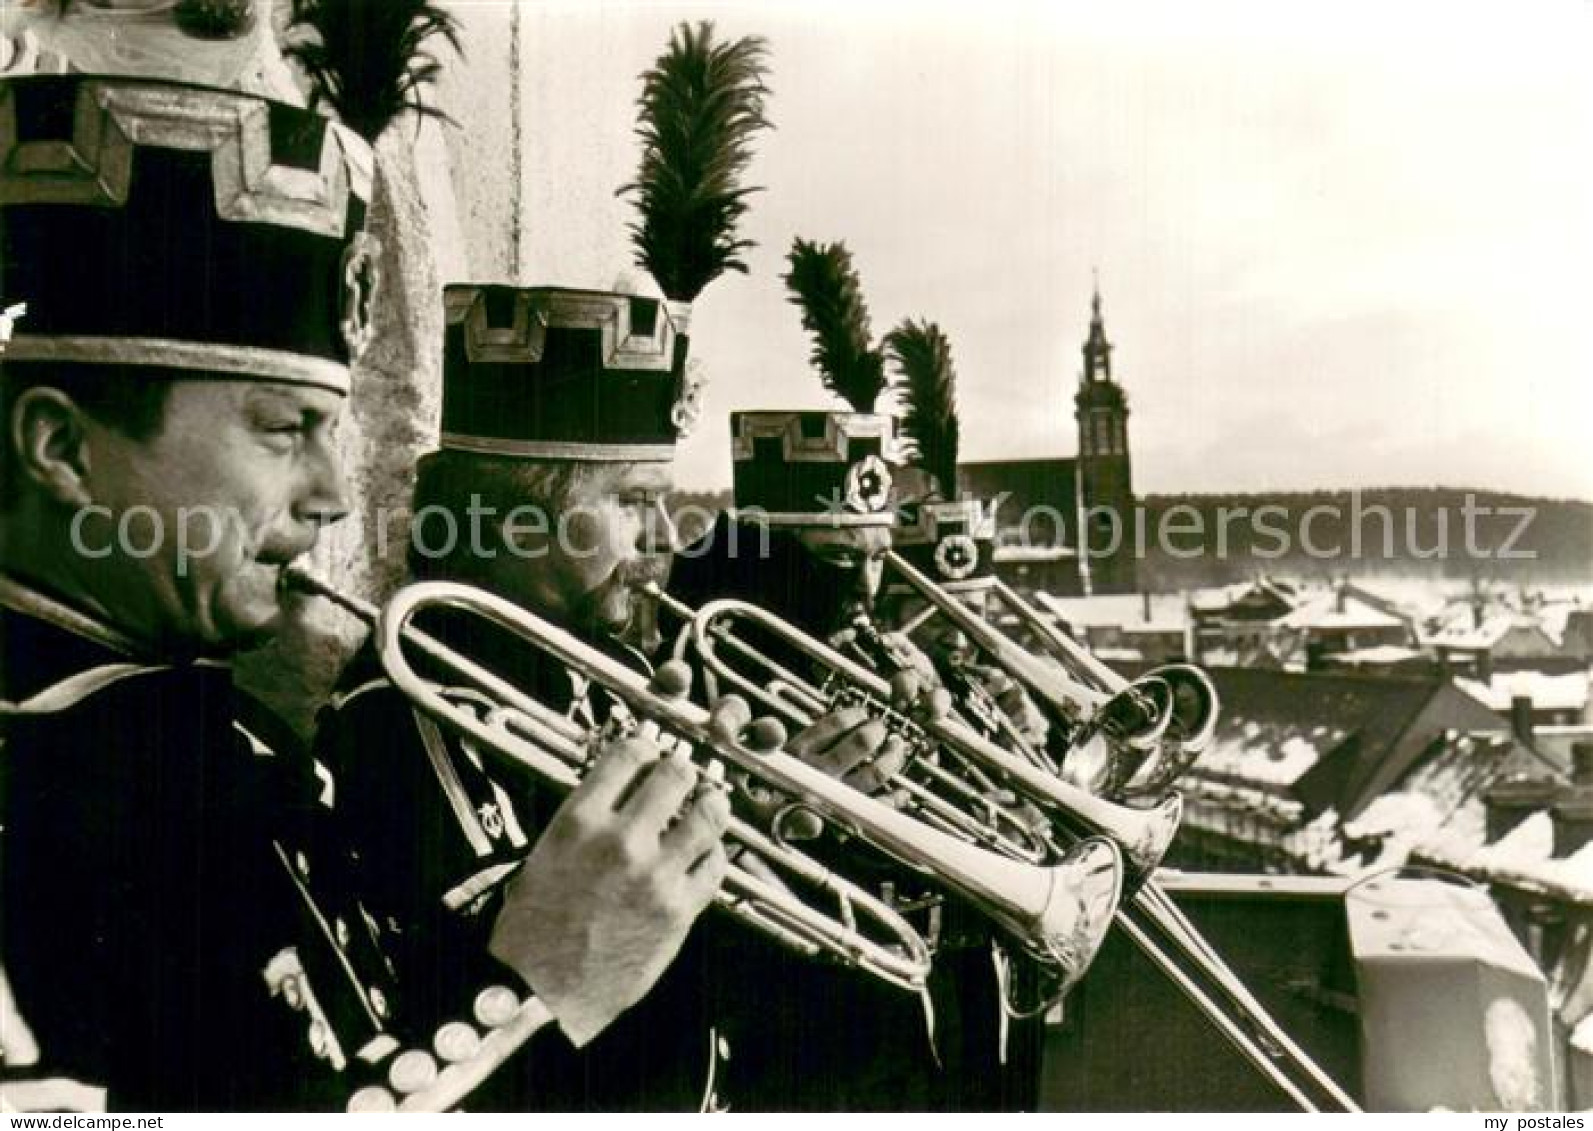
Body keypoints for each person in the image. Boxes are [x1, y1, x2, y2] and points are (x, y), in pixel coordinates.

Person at [0, 76, 726, 1112]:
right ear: (63, 448)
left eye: (334, 433)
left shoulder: (221, 741)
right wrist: (533, 987)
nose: (336, 497)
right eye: (283, 429)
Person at [316, 284, 909, 1110]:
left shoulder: (600, 671)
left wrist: (764, 824)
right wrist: (748, 846)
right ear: (518, 520)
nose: (664, 536)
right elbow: (542, 991)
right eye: (633, 502)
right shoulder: (410, 698)